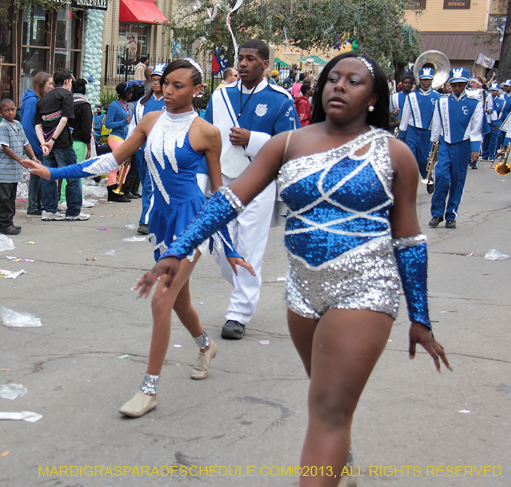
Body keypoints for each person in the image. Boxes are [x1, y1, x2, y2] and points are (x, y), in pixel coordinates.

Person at [135, 52, 449, 484]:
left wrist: (421, 317)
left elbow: (409, 241)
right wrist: (178, 249)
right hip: (302, 293)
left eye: (353, 81)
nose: (338, 85)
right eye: (332, 78)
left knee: (325, 410)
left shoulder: (396, 155)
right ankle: (342, 461)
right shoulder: (291, 143)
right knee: (327, 397)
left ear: (374, 97)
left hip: (366, 291)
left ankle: (331, 463)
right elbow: (231, 197)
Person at [25, 59, 252, 418]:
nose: (169, 90)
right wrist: (53, 173)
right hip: (161, 222)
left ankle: (148, 390)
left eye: (179, 86)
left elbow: (218, 195)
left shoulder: (206, 132)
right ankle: (206, 346)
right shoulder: (149, 121)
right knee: (178, 301)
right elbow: (111, 161)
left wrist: (229, 245)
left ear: (197, 90)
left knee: (161, 301)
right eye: (166, 84)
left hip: (190, 223)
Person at [203, 39, 299, 340]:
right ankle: (246, 286)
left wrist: (253, 140)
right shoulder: (220, 96)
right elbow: (203, 137)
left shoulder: (281, 99)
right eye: (240, 58)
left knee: (249, 250)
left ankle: (238, 314)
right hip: (224, 181)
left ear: (265, 64)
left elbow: (290, 146)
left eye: (250, 59)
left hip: (260, 182)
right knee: (220, 246)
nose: (243, 64)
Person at [428, 68, 482, 229]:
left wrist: (475, 149)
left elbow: (476, 129)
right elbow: (436, 123)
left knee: (458, 181)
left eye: (460, 85)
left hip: (463, 145)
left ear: (466, 84)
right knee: (442, 177)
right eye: (454, 85)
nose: (457, 88)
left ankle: (451, 214)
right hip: (445, 143)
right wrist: (434, 144)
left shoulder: (474, 103)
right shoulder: (441, 101)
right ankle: (437, 213)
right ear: (450, 84)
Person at [35, 68, 88, 221]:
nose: (72, 84)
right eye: (71, 81)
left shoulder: (43, 99)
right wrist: (53, 140)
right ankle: (73, 211)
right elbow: (64, 119)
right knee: (72, 175)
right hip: (62, 143)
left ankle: (50, 210)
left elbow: (37, 125)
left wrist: (44, 143)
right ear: (66, 81)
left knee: (49, 176)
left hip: (47, 144)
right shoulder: (66, 95)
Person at [129, 63, 166, 235]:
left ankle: (146, 221)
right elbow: (134, 127)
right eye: (154, 80)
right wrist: (129, 148)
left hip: (160, 152)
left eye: (160, 80)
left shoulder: (171, 102)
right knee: (146, 186)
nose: (156, 83)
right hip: (141, 150)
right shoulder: (141, 103)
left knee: (152, 186)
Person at [0, 99, 36, 235]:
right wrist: (20, 160)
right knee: (4, 200)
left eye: (12, 109)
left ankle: (9, 223)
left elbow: (26, 142)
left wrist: (33, 158)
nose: (10, 112)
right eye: (7, 110)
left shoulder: (17, 124)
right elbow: (5, 147)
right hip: (5, 171)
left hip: (14, 172)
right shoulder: (3, 127)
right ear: (0, 112)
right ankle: (3, 225)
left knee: (11, 198)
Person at [57, 78, 93, 209]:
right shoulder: (85, 105)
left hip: (65, 140)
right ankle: (66, 199)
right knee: (78, 172)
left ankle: (74, 198)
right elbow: (86, 128)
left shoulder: (67, 102)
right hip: (79, 142)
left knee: (68, 171)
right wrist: (89, 147)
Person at [398, 66, 440, 178]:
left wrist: (437, 136)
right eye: (423, 79)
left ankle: (427, 177)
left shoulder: (438, 97)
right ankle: (408, 184)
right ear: (419, 80)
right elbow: (405, 115)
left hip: (427, 133)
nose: (426, 82)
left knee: (423, 160)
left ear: (431, 80)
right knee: (409, 158)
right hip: (412, 131)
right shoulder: (411, 96)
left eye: (428, 79)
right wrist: (402, 133)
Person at [20, 72, 53, 216]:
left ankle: (36, 204)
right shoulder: (32, 101)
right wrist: (38, 147)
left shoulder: (38, 100)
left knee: (37, 174)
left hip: (37, 144)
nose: (52, 87)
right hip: (34, 144)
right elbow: (27, 126)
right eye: (49, 83)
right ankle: (33, 205)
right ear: (41, 84)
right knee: (36, 174)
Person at [104, 82, 134, 202]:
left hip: (124, 138)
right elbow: (108, 124)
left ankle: (119, 188)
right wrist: (124, 122)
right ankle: (113, 190)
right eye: (130, 92)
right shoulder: (113, 106)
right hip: (115, 137)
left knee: (125, 165)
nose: (131, 94)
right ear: (125, 93)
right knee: (117, 164)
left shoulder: (126, 105)